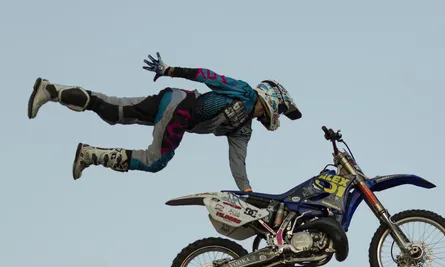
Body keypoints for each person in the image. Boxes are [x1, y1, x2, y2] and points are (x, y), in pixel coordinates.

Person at [27, 52, 302, 192]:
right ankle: (90, 155)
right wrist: (170, 70)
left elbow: (237, 161)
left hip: (173, 105)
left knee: (113, 110)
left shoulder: (243, 129)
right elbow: (207, 75)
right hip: (181, 108)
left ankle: (51, 90)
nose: (271, 118)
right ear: (272, 100)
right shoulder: (243, 91)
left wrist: (247, 191)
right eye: (275, 112)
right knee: (155, 160)